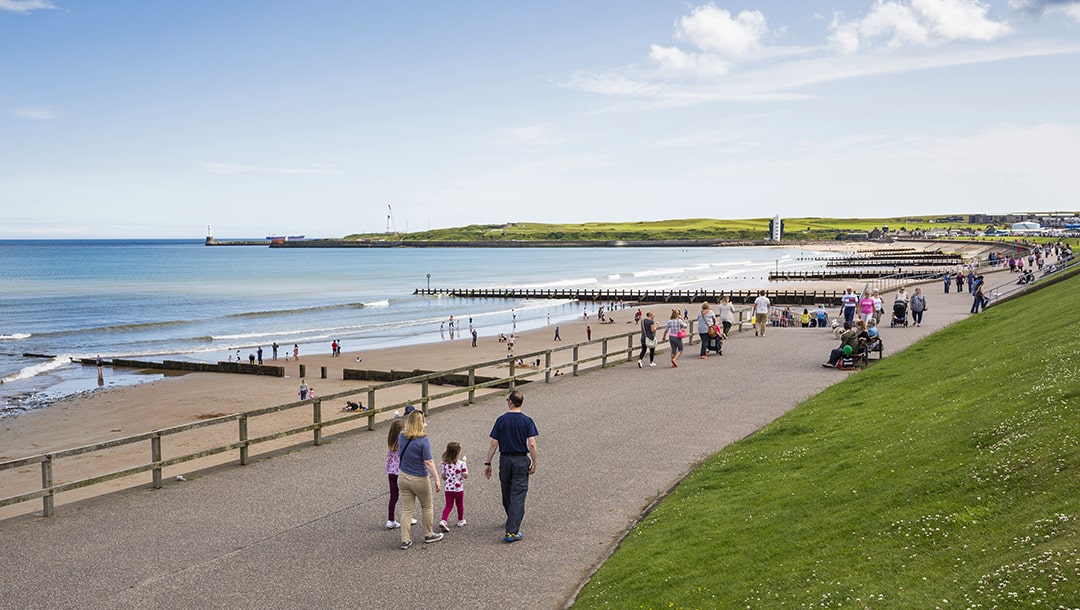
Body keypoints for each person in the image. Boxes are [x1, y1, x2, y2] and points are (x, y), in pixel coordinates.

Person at [484, 391, 539, 543]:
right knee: (518, 494)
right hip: (520, 459)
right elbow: (532, 443)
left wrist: (488, 462)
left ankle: (511, 519)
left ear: (510, 402)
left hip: (505, 459)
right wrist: (535, 461)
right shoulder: (527, 421)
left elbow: (494, 443)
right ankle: (512, 530)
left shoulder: (501, 420)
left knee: (507, 491)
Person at [397, 410, 443, 549]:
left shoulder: (401, 436)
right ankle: (428, 534)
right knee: (427, 506)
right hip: (419, 478)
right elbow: (428, 461)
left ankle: (405, 539)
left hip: (403, 476)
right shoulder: (424, 441)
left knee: (407, 510)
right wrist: (436, 479)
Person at [384, 418, 415, 529]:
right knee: (408, 495)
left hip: (391, 472)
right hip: (401, 471)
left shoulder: (391, 441)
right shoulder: (403, 442)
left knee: (393, 496)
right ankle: (408, 516)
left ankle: (390, 519)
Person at [438, 441, 469, 531]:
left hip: (448, 489)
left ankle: (443, 520)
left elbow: (443, 476)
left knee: (448, 505)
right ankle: (460, 520)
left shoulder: (444, 464)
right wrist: (464, 469)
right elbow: (465, 475)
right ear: (458, 452)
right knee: (459, 505)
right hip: (458, 489)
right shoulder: (461, 464)